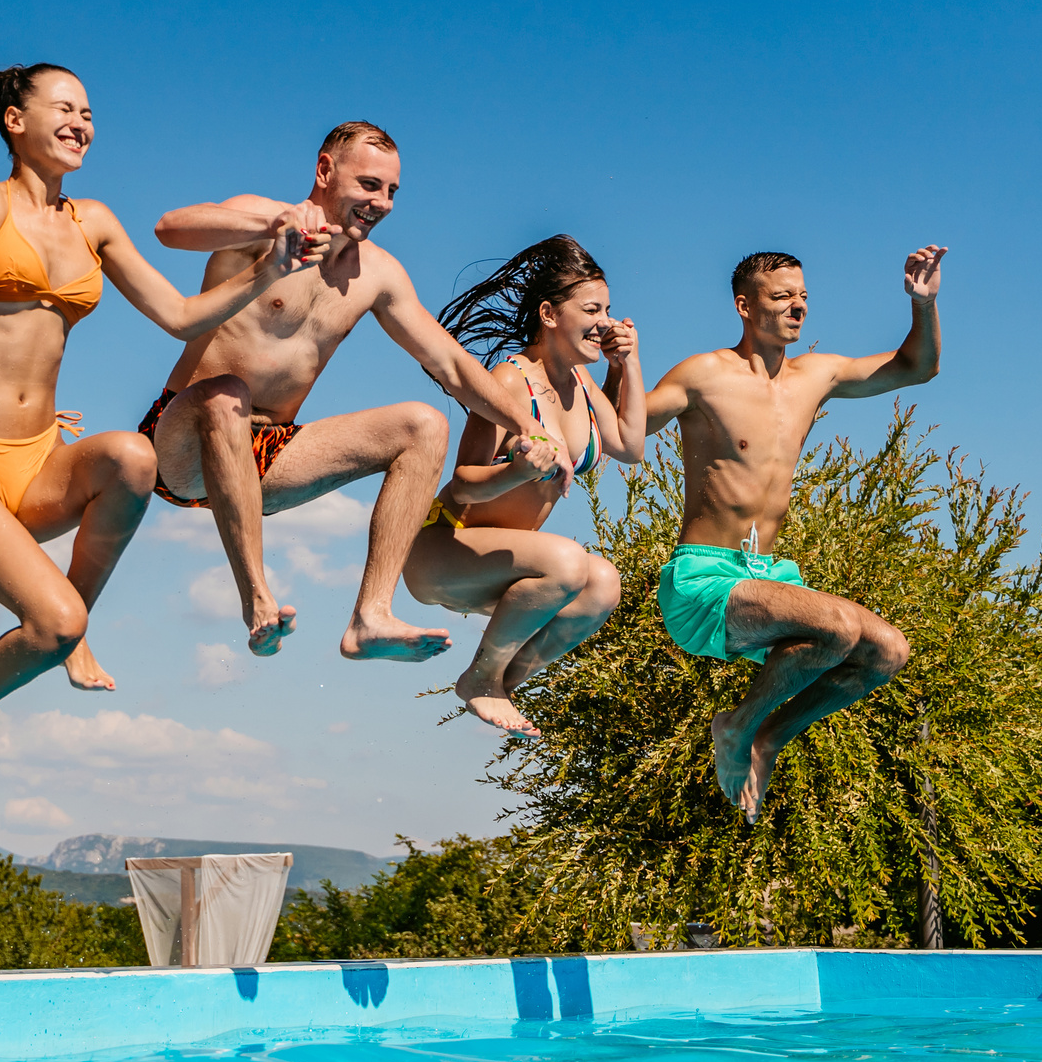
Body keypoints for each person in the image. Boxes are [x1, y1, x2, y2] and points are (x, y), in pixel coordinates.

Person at [0, 65, 317, 832]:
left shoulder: (96, 221)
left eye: (89, 112)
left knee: (133, 457)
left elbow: (182, 315)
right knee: (53, 626)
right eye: (64, 109)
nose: (82, 122)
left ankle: (73, 621)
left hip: (42, 456)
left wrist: (264, 270)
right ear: (15, 122)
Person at [144, 122, 551, 662]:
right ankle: (257, 599)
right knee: (226, 393)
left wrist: (530, 426)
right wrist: (272, 223)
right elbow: (169, 228)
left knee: (424, 423)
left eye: (391, 192)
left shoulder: (377, 273)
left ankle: (370, 617)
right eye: (368, 185)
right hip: (183, 444)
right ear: (324, 171)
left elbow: (451, 363)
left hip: (269, 455)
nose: (380, 202)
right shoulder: (261, 221)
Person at [641, 245, 948, 821]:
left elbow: (918, 366)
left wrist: (922, 304)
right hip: (704, 580)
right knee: (833, 625)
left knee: (887, 652)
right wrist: (607, 374)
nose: (798, 306)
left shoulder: (816, 374)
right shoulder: (704, 375)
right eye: (782, 296)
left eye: (803, 295)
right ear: (744, 305)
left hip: (768, 578)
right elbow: (628, 429)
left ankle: (768, 737)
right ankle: (736, 725)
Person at [404, 236, 646, 733]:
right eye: (592, 309)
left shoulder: (580, 383)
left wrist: (629, 364)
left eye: (609, 310)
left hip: (500, 570)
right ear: (550, 314)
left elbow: (629, 444)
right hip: (442, 548)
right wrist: (516, 472)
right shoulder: (511, 381)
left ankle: (498, 682)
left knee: (602, 584)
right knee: (566, 561)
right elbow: (465, 483)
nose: (605, 321)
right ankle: (484, 678)